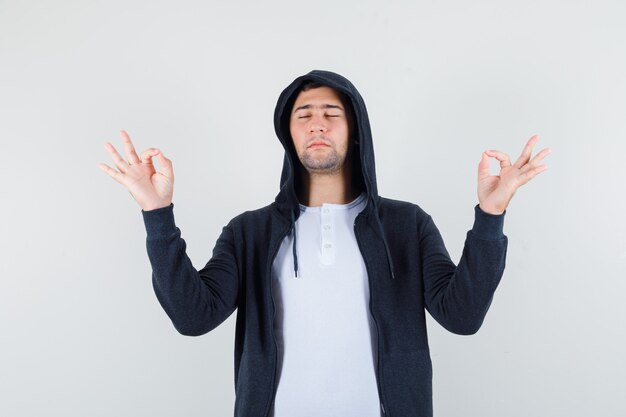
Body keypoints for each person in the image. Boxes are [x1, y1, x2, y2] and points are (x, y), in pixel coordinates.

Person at [99, 70, 551, 417]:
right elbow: (193, 317)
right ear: (289, 135)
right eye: (304, 115)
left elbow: (463, 315)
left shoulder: (406, 224)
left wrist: (490, 216)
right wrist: (157, 215)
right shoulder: (249, 232)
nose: (318, 124)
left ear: (354, 131)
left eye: (331, 114)